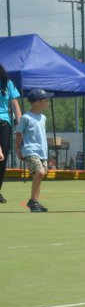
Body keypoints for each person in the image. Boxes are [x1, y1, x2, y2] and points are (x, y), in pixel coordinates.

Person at [15, 88, 52, 212]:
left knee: (40, 175)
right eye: (45, 100)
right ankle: (33, 201)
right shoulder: (26, 118)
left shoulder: (43, 118)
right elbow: (19, 134)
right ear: (37, 102)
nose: (48, 103)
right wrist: (18, 150)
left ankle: (35, 201)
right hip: (30, 150)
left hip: (42, 152)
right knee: (40, 172)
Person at [0, 63, 22, 204]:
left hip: (4, 124)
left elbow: (15, 106)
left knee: (2, 160)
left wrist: (20, 125)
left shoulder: (7, 84)